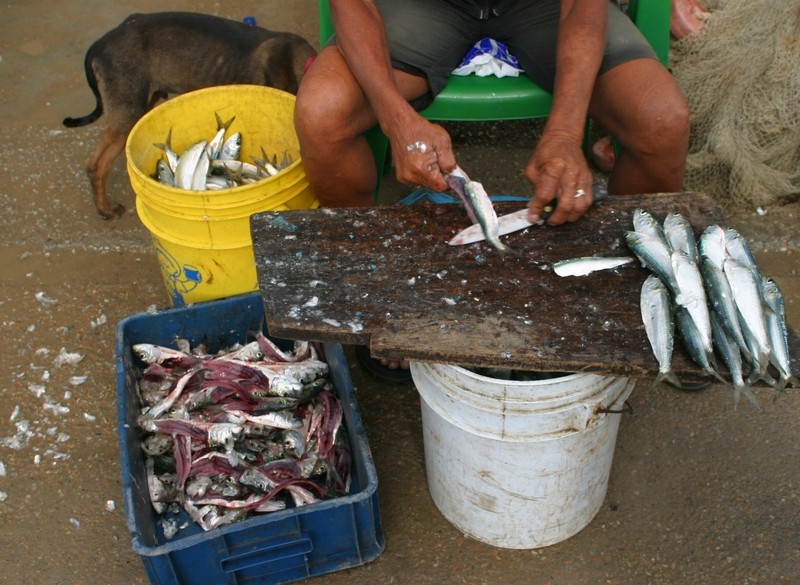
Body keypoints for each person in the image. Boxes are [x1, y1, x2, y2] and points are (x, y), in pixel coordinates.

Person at [294, 0, 690, 378]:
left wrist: (566, 132)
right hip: (422, 7)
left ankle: (621, 297)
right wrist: (395, 119)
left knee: (661, 122)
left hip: (547, 8)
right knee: (321, 113)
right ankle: (379, 288)